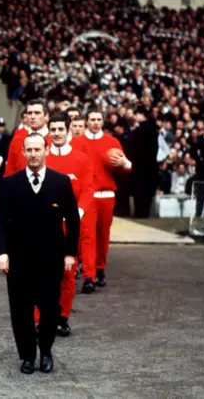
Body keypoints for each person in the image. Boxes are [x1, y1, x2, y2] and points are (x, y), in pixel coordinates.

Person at [0, 133, 80, 375]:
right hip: (18, 259)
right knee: (21, 310)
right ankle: (28, 356)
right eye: (29, 150)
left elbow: (73, 221)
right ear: (23, 152)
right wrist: (1, 252)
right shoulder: (10, 183)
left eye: (37, 149)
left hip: (51, 258)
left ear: (46, 151)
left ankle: (46, 352)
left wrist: (70, 253)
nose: (33, 154)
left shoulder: (61, 182)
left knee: (50, 308)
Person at [34, 112, 94, 335]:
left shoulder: (82, 159)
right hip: (44, 225)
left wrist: (76, 212)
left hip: (70, 225)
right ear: (49, 131)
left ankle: (62, 317)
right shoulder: (42, 158)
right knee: (42, 273)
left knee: (67, 273)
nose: (57, 133)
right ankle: (40, 319)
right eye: (54, 129)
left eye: (61, 129)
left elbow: (89, 189)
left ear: (69, 131)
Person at [76, 108, 132, 288]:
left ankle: (100, 269)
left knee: (103, 235)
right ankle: (89, 277)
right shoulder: (77, 143)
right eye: (92, 119)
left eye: (98, 119)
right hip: (87, 196)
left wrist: (124, 163)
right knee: (88, 236)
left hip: (107, 195)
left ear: (103, 121)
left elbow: (127, 167)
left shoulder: (112, 142)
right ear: (86, 121)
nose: (95, 122)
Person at [4, 100, 50, 177]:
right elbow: (10, 172)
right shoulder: (17, 140)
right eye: (29, 113)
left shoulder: (55, 140)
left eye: (37, 113)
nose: (32, 116)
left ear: (46, 117)